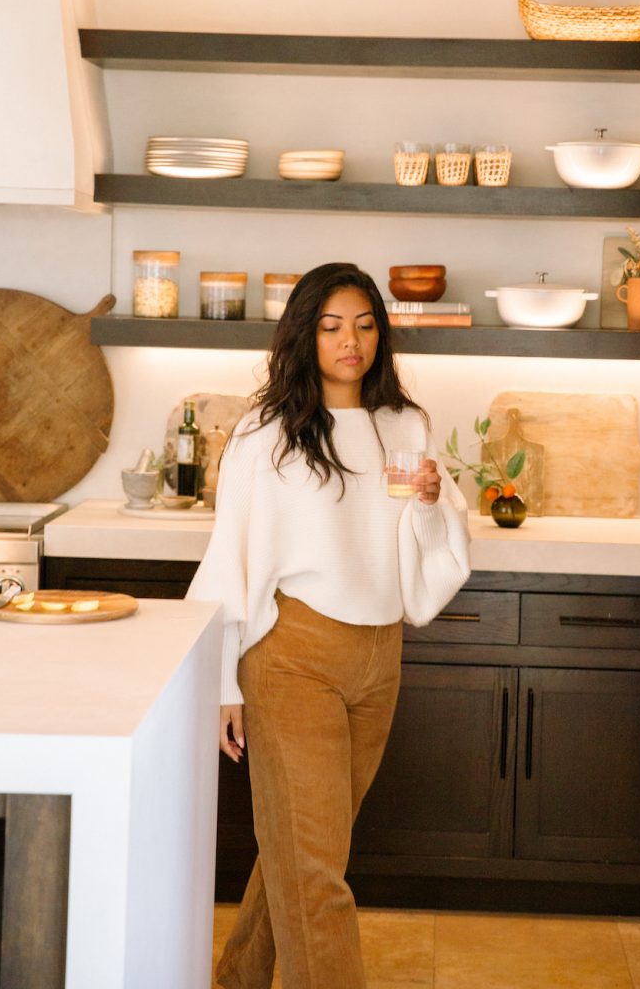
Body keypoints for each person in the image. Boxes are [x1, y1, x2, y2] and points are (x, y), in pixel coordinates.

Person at [188, 262, 471, 989]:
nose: (352, 341)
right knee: (317, 872)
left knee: (301, 848)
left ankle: (236, 980)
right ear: (304, 335)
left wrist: (434, 500)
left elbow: (425, 546)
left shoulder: (405, 424)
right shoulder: (267, 433)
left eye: (367, 324)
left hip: (380, 657)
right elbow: (233, 554)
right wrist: (224, 678)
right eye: (332, 325)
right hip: (292, 657)